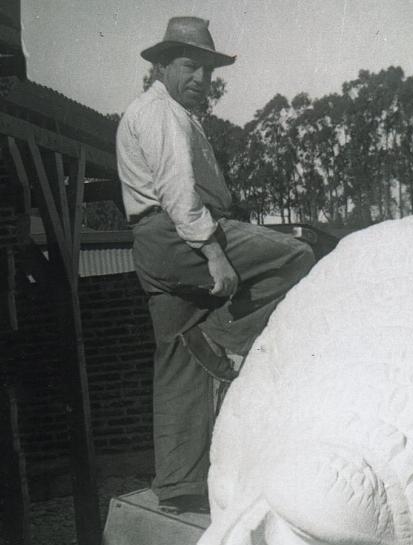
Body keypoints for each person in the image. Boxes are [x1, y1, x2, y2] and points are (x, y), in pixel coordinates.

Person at [117, 17, 316, 513]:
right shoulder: (162, 114)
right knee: (296, 256)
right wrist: (213, 253)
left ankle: (178, 486)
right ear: (161, 66)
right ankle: (221, 337)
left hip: (152, 241)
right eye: (190, 66)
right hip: (178, 234)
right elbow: (180, 195)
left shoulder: (164, 112)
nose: (202, 79)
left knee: (176, 360)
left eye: (208, 69)